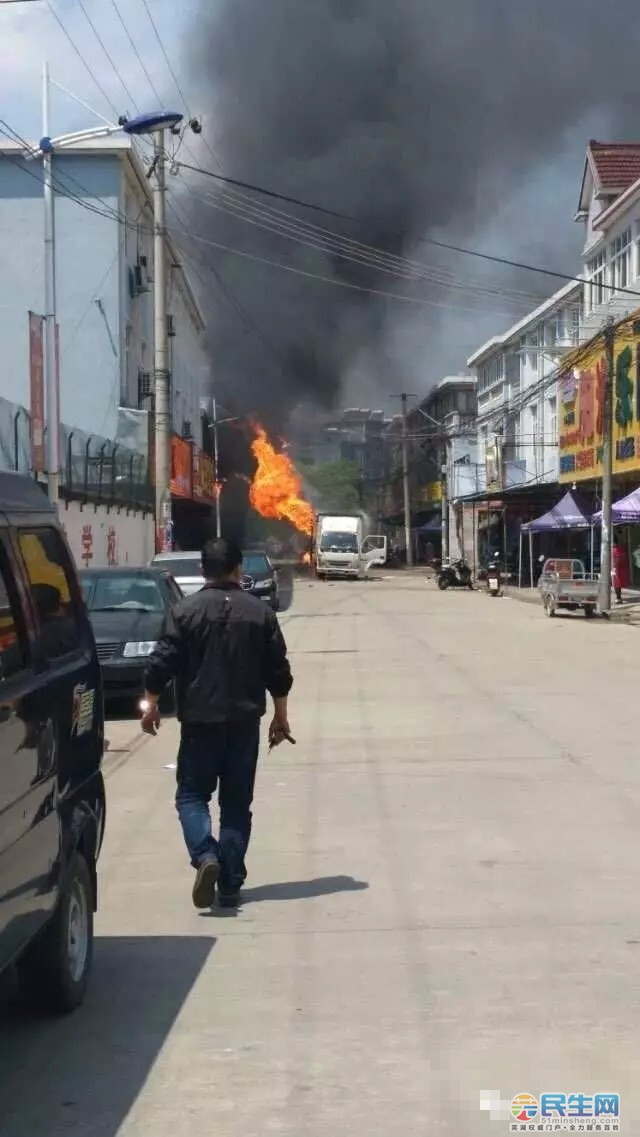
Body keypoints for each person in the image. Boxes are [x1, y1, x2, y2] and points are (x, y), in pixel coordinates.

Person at [140, 538, 294, 909]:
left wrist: (151, 704)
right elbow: (279, 671)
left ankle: (205, 855)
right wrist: (281, 716)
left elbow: (161, 663)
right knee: (237, 804)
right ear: (239, 570)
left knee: (192, 796)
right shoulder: (260, 613)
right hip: (243, 723)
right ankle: (229, 881)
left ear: (202, 571)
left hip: (199, 723)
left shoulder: (184, 612)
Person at [612, 536, 630, 605]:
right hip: (616, 569)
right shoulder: (619, 549)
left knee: (616, 583)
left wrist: (614, 564)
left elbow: (618, 559)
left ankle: (618, 598)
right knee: (616, 583)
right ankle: (618, 597)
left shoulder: (615, 549)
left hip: (615, 569)